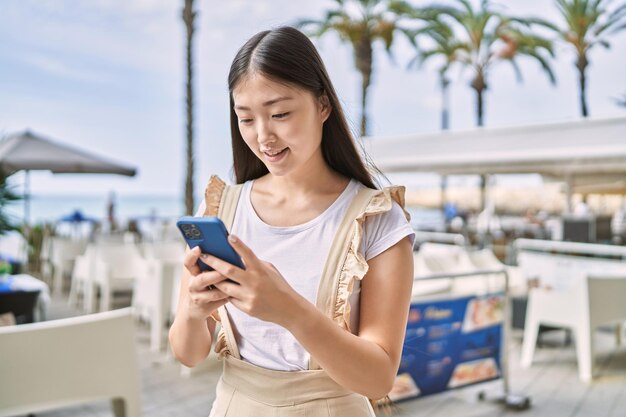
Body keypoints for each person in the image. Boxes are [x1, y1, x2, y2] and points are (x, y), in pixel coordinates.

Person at [168, 26, 415, 416]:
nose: (263, 136)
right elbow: (188, 354)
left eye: (280, 113)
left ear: (323, 106)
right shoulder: (220, 209)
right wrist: (193, 312)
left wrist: (288, 310)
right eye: (245, 119)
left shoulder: (377, 219)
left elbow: (379, 378)